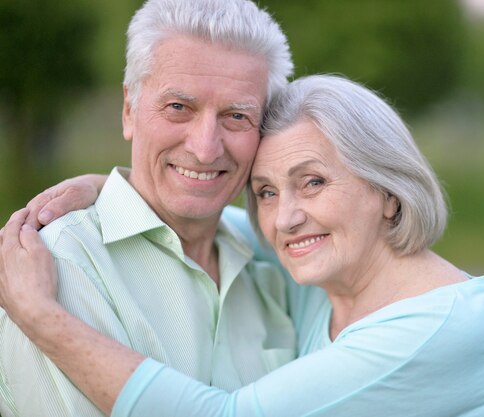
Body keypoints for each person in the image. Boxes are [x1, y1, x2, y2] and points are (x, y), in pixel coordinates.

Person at [0, 74, 484, 416]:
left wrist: (41, 316)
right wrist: (117, 186)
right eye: (266, 192)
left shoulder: (431, 330)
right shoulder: (327, 282)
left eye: (314, 182)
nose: (286, 218)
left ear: (388, 192)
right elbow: (213, 222)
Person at [0, 0, 299, 416]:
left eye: (236, 116)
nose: (205, 147)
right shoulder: (58, 267)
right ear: (129, 110)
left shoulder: (275, 266)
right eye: (179, 107)